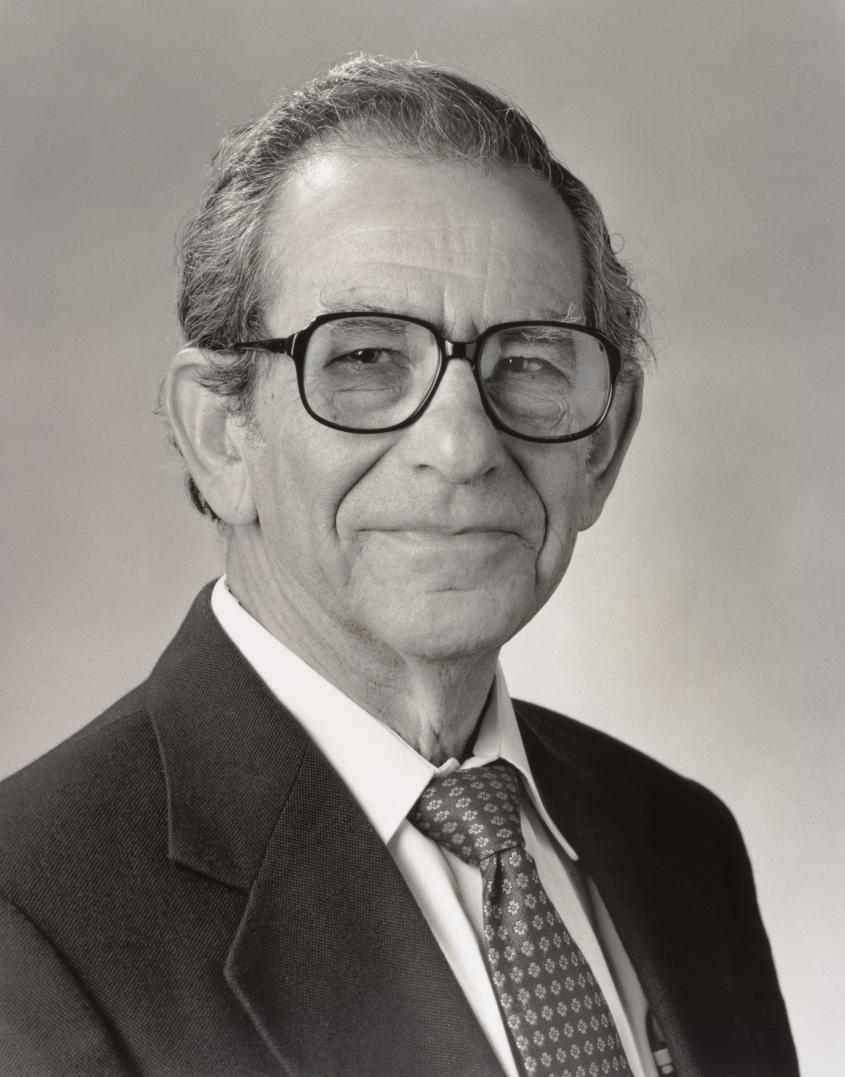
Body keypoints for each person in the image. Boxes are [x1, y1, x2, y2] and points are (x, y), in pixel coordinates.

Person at [0, 55, 798, 1077]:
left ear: (602, 445)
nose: (461, 447)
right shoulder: (29, 921)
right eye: (365, 359)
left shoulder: (679, 843)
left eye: (528, 361)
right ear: (221, 434)